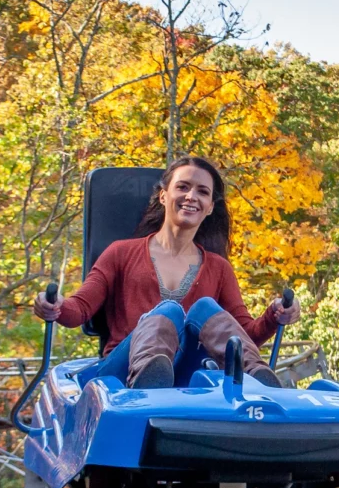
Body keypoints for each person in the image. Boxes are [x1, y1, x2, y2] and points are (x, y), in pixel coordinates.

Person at [33, 156, 301, 389]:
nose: (191, 196)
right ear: (163, 196)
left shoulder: (219, 268)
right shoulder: (120, 253)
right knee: (169, 311)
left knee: (206, 307)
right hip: (120, 377)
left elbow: (244, 335)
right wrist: (55, 306)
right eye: (183, 187)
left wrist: (274, 315)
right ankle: (149, 376)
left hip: (186, 377)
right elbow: (79, 309)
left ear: (209, 207)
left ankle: (254, 377)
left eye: (202, 192)